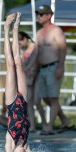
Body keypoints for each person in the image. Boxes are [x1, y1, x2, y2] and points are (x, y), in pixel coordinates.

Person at [24, 5, 74, 134]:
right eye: (38, 14)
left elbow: (63, 49)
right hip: (43, 69)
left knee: (53, 98)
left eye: (41, 14)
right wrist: (28, 68)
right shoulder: (40, 33)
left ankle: (49, 127)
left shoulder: (56, 31)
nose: (38, 17)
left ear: (49, 15)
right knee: (45, 98)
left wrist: (60, 67)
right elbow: (35, 52)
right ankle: (64, 119)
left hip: (54, 66)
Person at [4, 12, 31, 152]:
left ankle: (7, 28)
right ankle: (16, 29)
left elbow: (6, 148)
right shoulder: (26, 143)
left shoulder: (11, 138)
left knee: (10, 64)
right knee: (19, 62)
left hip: (12, 102)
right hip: (24, 101)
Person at [19, 31, 47, 132]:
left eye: (20, 42)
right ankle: (32, 126)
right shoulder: (23, 49)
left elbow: (37, 63)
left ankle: (45, 124)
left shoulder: (34, 47)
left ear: (25, 39)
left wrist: (32, 76)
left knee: (37, 101)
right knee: (29, 101)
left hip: (37, 74)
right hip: (29, 75)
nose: (20, 45)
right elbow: (24, 64)